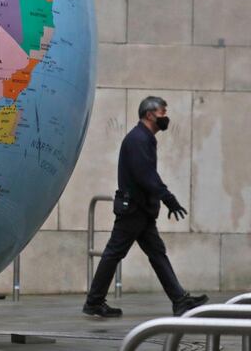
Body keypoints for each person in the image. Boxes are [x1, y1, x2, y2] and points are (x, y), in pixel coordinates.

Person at [82, 96, 209, 318]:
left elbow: (146, 176)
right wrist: (168, 198)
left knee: (156, 253)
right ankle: (94, 302)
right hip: (134, 210)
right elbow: (146, 176)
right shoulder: (138, 139)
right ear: (150, 115)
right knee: (114, 253)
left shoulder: (144, 138)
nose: (165, 117)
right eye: (162, 113)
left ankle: (180, 300)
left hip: (141, 210)